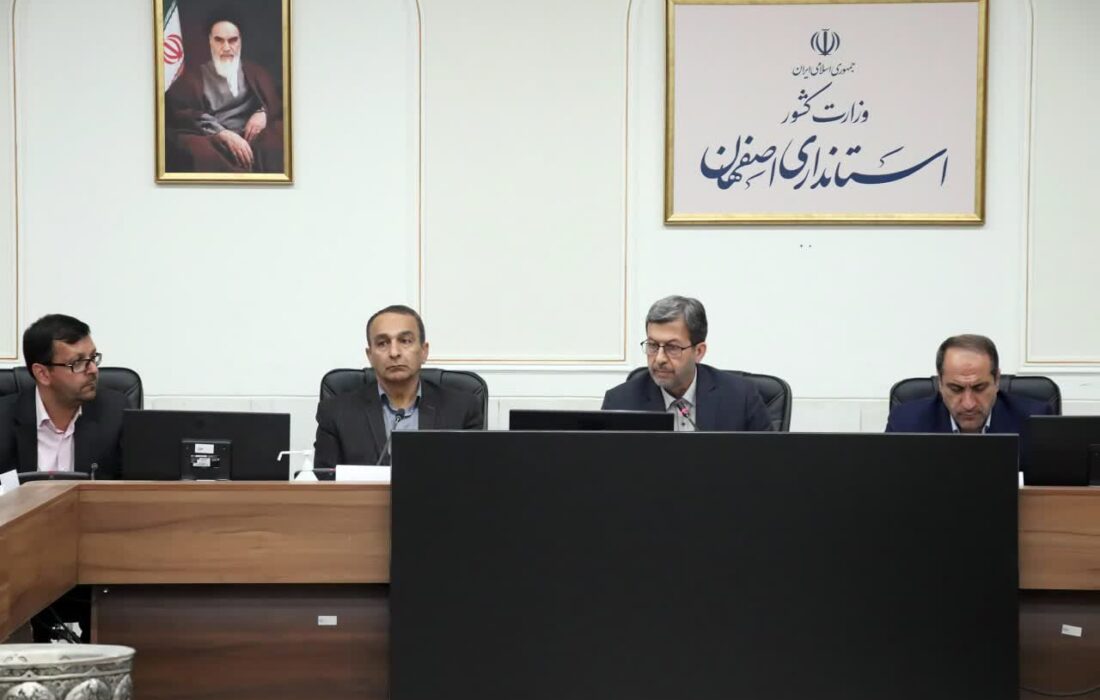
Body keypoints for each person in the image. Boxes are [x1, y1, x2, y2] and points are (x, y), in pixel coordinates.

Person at [314, 305, 485, 467]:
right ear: (370, 355)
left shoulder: (462, 409)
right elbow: (325, 482)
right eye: (382, 343)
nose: (394, 353)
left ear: (424, 351)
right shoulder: (335, 413)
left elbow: (476, 478)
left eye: (405, 341)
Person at [602, 296, 772, 431]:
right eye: (653, 345)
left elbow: (768, 460)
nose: (659, 358)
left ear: (699, 352)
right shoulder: (619, 403)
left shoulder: (741, 397)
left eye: (672, 347)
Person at [0, 314, 125, 477]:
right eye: (78, 362)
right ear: (42, 374)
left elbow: (134, 485)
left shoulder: (115, 412)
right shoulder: (3, 420)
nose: (93, 369)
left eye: (93, 357)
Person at [164, 10, 284, 173]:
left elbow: (276, 100)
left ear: (240, 41)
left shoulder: (255, 72)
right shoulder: (193, 79)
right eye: (219, 40)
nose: (226, 47)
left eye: (232, 40)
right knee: (200, 152)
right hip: (214, 140)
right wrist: (222, 133)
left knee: (278, 140)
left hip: (252, 139)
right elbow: (183, 114)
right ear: (210, 42)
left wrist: (262, 113)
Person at [885, 334, 1054, 433]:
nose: (968, 404)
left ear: (997, 380)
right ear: (940, 383)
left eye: (979, 388)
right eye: (956, 389)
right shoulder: (905, 423)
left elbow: (1053, 483)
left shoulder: (1035, 422)